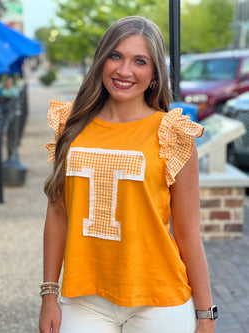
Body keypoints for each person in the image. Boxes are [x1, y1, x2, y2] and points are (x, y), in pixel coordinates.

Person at [39, 16, 217, 333]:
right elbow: (58, 212)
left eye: (140, 61)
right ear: (101, 60)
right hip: (84, 298)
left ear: (153, 74)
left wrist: (205, 315)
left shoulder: (174, 134)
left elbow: (188, 232)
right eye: (116, 56)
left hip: (160, 299)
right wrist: (49, 294)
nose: (124, 70)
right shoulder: (71, 126)